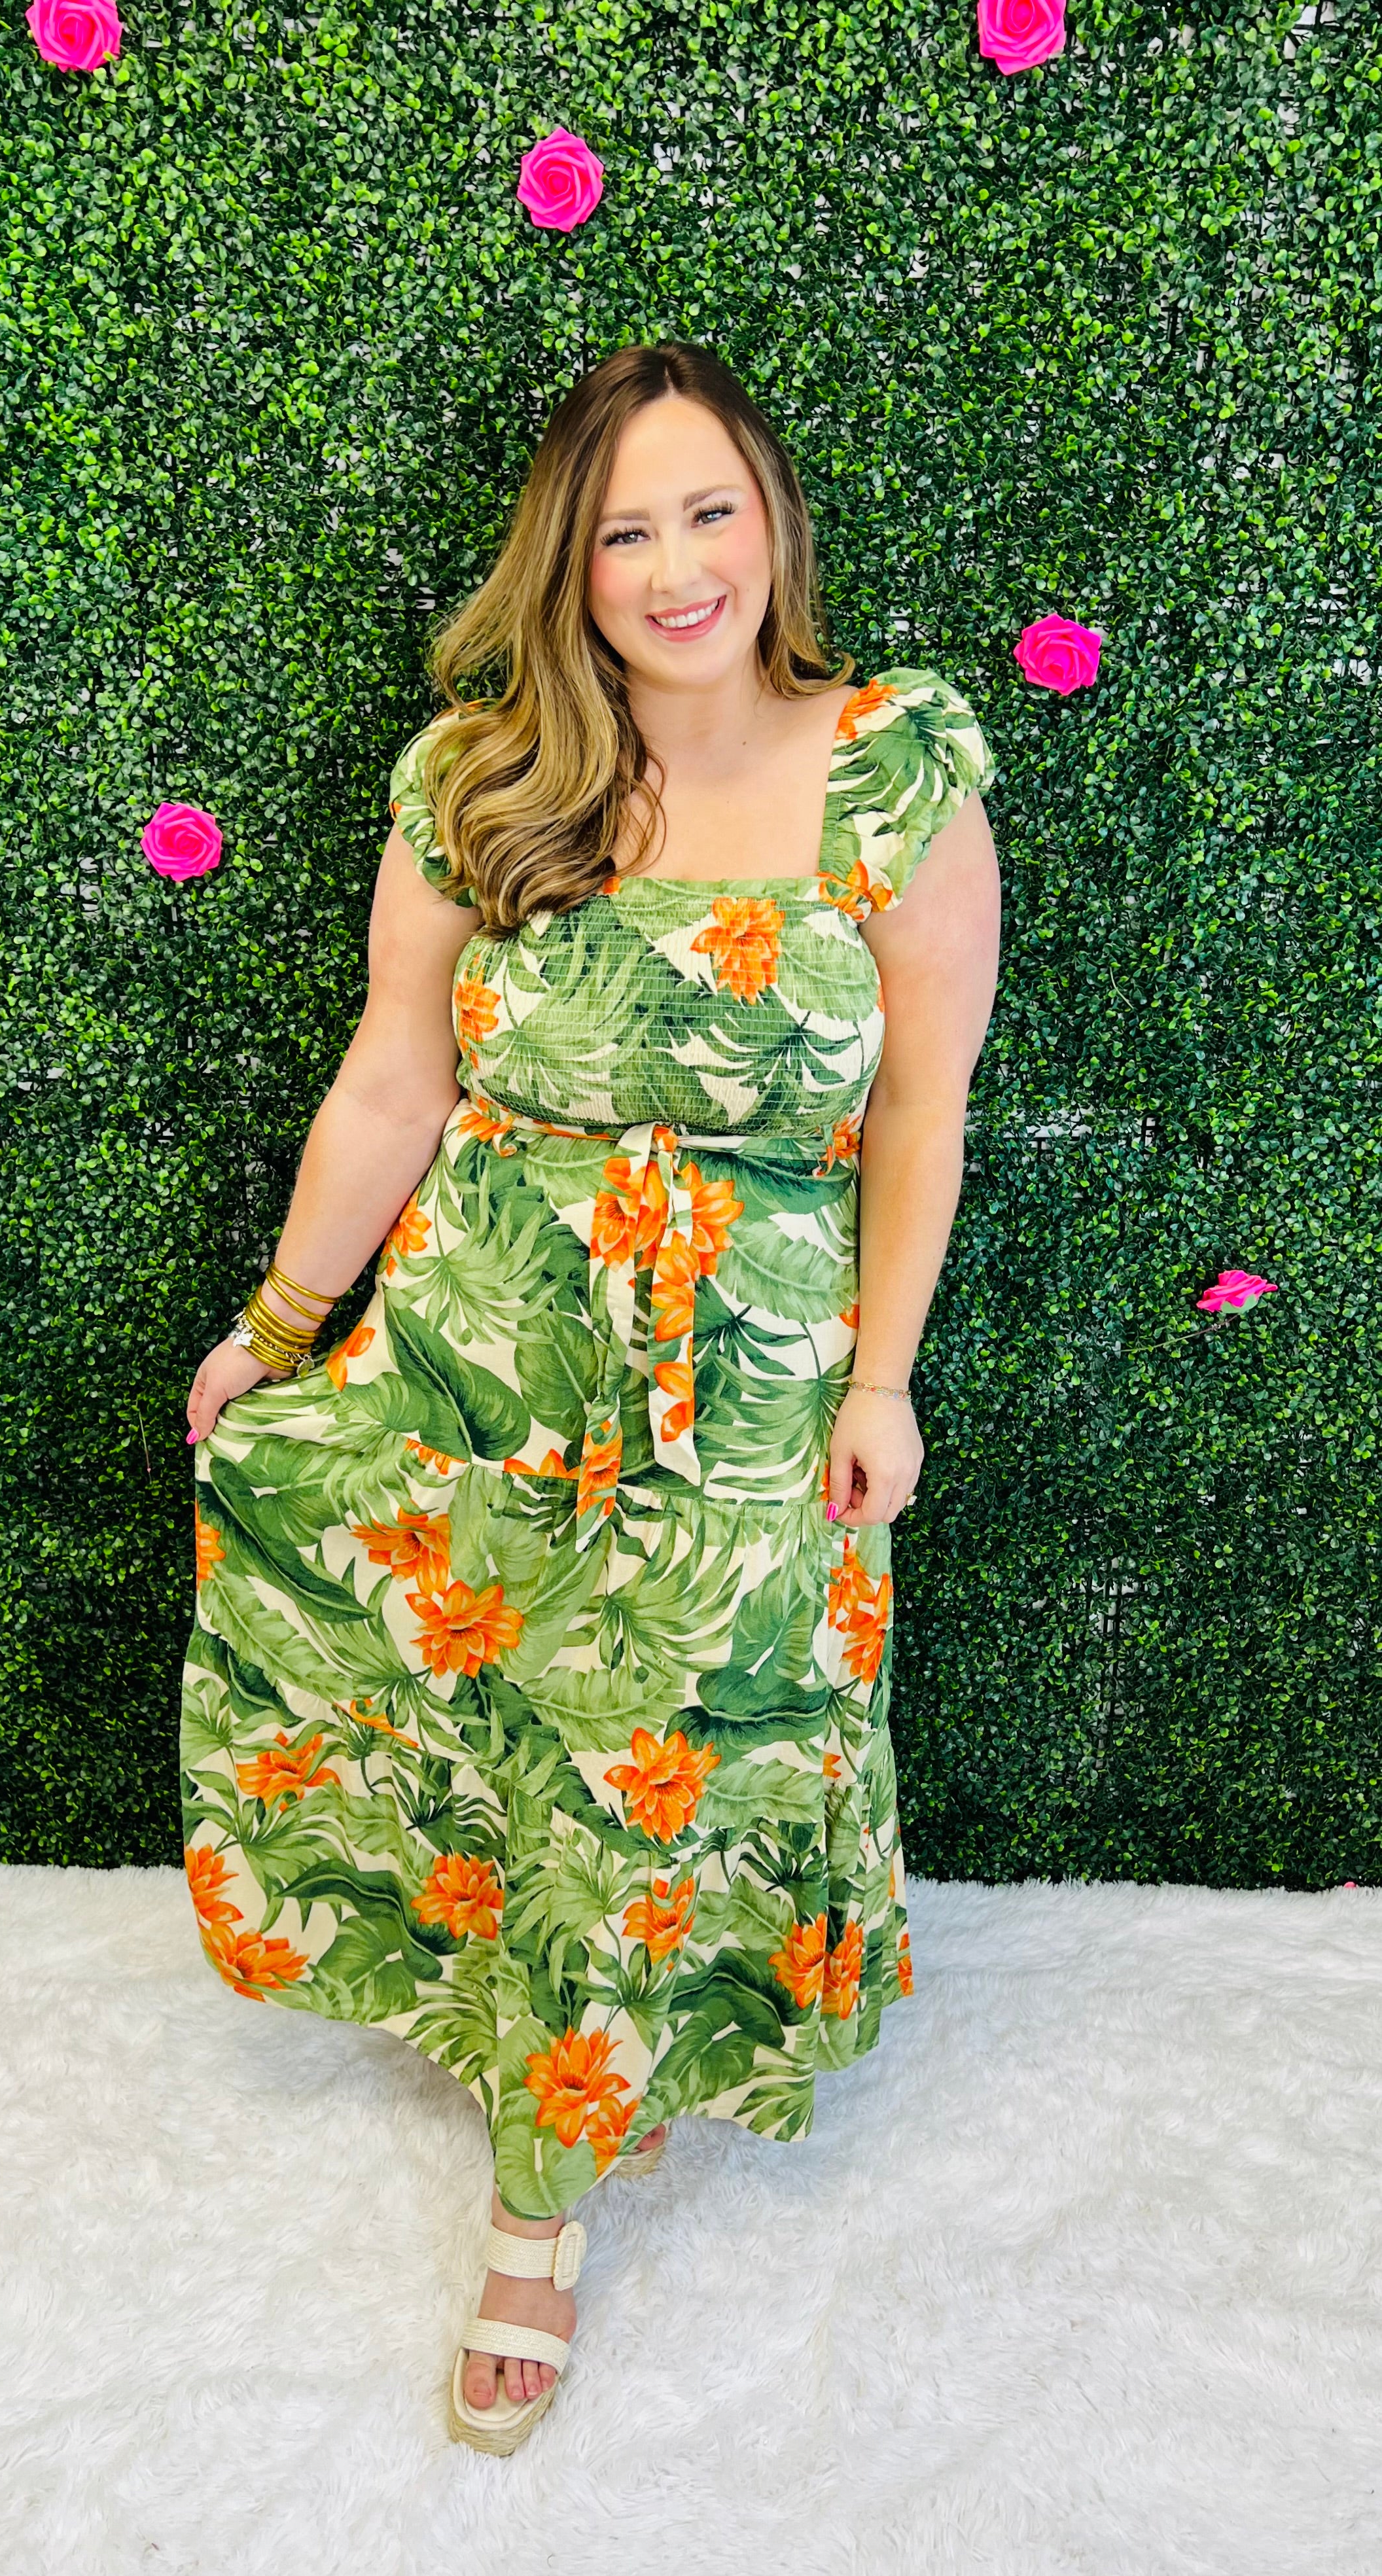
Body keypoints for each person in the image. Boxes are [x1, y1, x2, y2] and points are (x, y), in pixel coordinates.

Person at [180, 340, 999, 2454]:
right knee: (507, 1745)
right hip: (481, 1357)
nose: (673, 564)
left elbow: (921, 1111)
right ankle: (532, 2189)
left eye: (707, 509)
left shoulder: (895, 769)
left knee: (658, 1764)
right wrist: (280, 1323)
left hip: (745, 1384)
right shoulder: (484, 776)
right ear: (570, 561)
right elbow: (393, 1076)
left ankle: (559, 2159)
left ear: (770, 521)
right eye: (624, 529)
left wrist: (885, 1378)